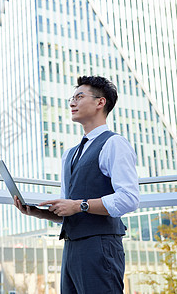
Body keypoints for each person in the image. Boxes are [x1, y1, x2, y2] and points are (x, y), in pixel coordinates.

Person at [14, 75, 139, 293]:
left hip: (100, 246)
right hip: (71, 246)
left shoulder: (114, 144)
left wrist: (79, 205)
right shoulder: (70, 155)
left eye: (79, 97)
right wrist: (37, 212)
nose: (72, 103)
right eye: (71, 98)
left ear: (100, 102)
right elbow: (69, 210)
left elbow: (128, 199)